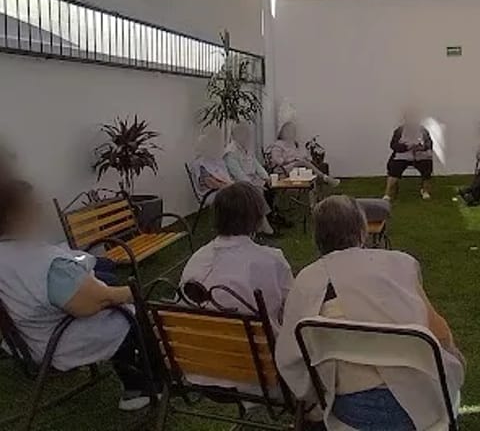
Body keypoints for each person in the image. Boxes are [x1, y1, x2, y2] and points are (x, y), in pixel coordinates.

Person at [276, 196, 464, 430]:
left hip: (350, 411)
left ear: (318, 237)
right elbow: (441, 334)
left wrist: (314, 396)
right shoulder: (401, 264)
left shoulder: (306, 281)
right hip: (423, 406)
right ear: (362, 231)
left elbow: (291, 356)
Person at [0, 178, 157, 411]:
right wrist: (132, 293)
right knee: (134, 315)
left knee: (109, 287)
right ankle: (140, 387)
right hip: (56, 342)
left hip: (25, 338)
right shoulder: (43, 264)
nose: (39, 208)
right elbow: (91, 303)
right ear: (16, 215)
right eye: (33, 204)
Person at [181, 182, 293, 327]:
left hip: (192, 343)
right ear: (257, 218)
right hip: (255, 346)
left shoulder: (197, 258)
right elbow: (293, 308)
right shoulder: (272, 261)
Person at [224, 123, 284, 232]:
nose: (245, 136)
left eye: (246, 134)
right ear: (233, 135)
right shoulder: (230, 153)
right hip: (238, 184)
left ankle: (272, 216)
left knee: (271, 186)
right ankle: (264, 226)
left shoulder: (247, 148)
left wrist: (266, 178)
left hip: (253, 179)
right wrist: (255, 184)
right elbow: (238, 175)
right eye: (241, 133)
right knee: (257, 191)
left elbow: (257, 165)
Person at [266, 121, 340, 186]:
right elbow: (278, 161)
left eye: (293, 131)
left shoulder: (292, 144)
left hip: (294, 168)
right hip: (282, 169)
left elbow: (296, 156)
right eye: (289, 131)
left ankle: (320, 183)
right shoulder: (277, 145)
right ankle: (325, 178)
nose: (291, 133)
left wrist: (302, 158)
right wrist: (293, 160)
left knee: (308, 162)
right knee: (302, 163)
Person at [383, 111, 435, 201]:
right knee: (394, 168)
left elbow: (429, 144)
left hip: (420, 156)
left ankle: (425, 190)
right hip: (402, 156)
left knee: (427, 166)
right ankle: (388, 193)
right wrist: (406, 147)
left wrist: (422, 147)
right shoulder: (399, 131)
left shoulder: (423, 131)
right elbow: (393, 145)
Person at [191, 129, 233, 195]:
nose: (221, 146)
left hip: (222, 190)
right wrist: (226, 187)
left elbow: (225, 177)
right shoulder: (202, 163)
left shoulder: (217, 161)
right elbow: (209, 181)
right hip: (211, 193)